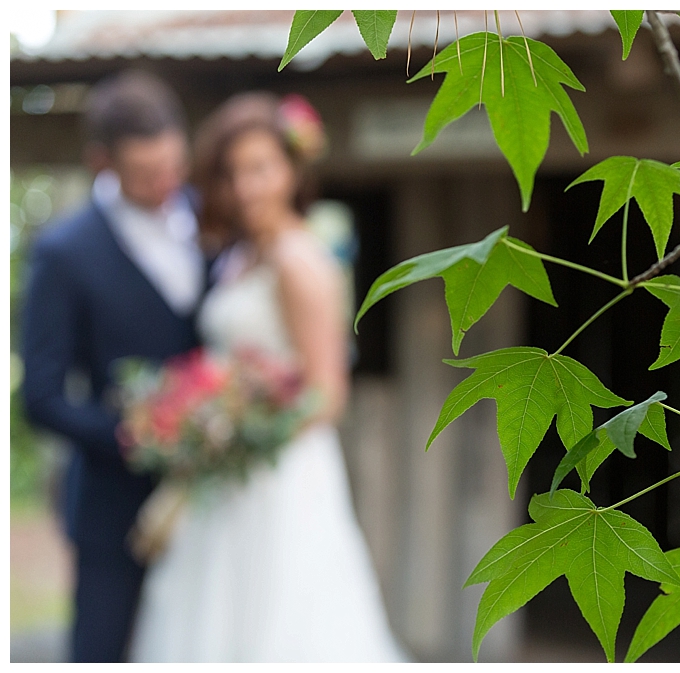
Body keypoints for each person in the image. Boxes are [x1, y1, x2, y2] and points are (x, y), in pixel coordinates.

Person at [128, 92, 406, 662]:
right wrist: (203, 418)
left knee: (283, 624)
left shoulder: (301, 261)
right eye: (232, 174)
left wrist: (237, 426)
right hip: (225, 477)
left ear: (290, 170)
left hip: (281, 475)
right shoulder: (241, 255)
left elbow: (328, 394)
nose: (246, 187)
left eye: (260, 169)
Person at [20, 70, 206, 662]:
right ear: (103, 163)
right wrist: (139, 435)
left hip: (215, 498)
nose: (166, 184)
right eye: (147, 174)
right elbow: (41, 396)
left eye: (174, 166)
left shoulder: (216, 221)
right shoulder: (63, 252)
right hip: (110, 508)